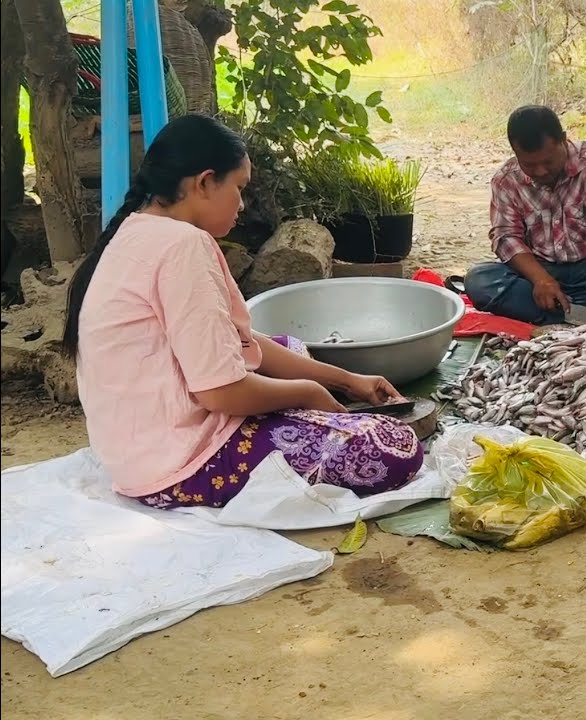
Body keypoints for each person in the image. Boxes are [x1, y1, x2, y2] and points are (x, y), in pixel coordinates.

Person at [64, 114, 424, 510]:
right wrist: (309, 392)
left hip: (135, 451)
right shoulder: (182, 247)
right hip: (179, 463)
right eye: (239, 188)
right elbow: (221, 393)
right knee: (391, 447)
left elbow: (242, 344)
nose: (243, 204)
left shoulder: (136, 229)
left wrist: (347, 380)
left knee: (287, 347)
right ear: (203, 183)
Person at [464, 105, 586, 327]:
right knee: (478, 280)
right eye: (529, 164)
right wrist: (541, 280)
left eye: (548, 161)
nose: (540, 171)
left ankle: (565, 312)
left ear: (563, 140)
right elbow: (506, 238)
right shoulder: (506, 180)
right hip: (538, 272)